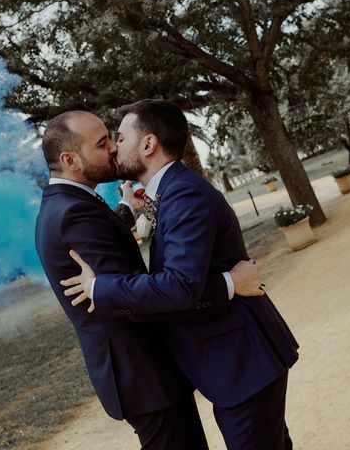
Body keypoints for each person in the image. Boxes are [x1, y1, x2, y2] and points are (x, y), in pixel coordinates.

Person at [62, 101, 300, 450]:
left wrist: (100, 288)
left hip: (243, 361)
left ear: (149, 145)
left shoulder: (183, 193)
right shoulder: (171, 190)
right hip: (237, 361)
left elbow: (180, 285)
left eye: (122, 138)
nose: (115, 148)